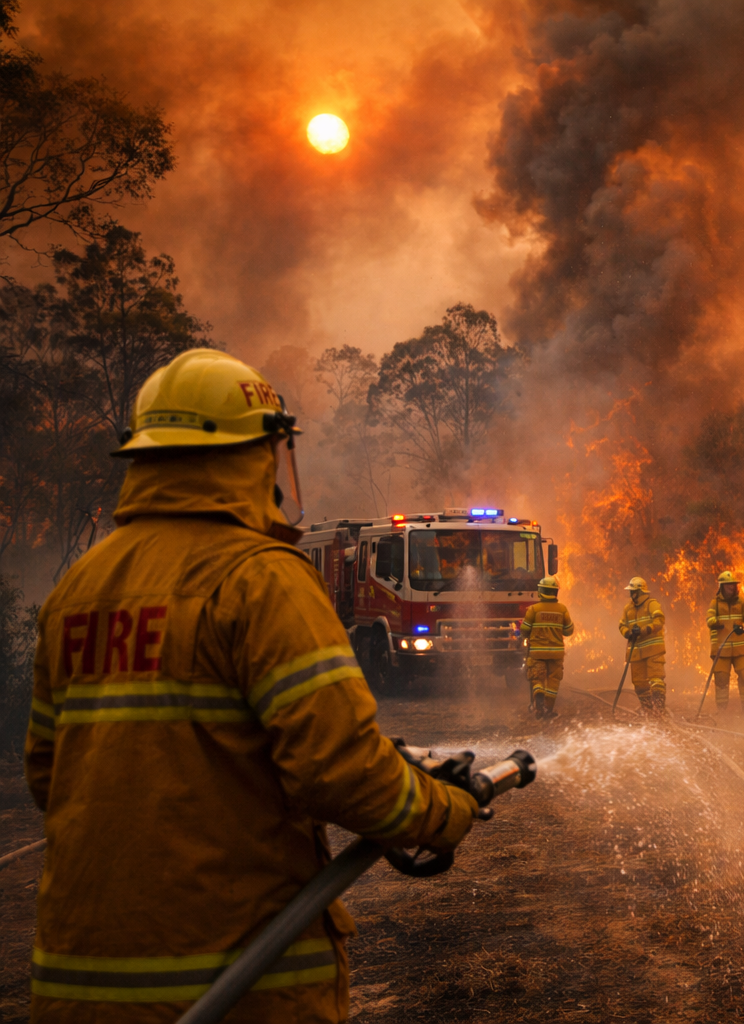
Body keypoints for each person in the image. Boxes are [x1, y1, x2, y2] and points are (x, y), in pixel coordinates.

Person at [25, 349, 481, 1023]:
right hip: (240, 983)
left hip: (77, 985)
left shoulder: (77, 590)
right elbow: (338, 770)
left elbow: (46, 774)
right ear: (254, 456)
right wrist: (442, 813)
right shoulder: (260, 578)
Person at [520, 575, 574, 720]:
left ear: (541, 591)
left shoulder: (533, 609)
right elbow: (569, 631)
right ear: (555, 592)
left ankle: (538, 699)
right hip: (556, 653)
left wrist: (527, 634)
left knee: (537, 677)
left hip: (537, 652)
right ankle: (548, 710)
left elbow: (524, 630)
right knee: (553, 681)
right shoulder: (562, 609)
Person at [705, 571, 744, 714]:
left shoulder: (741, 601)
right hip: (721, 650)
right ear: (722, 587)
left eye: (733, 585)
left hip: (740, 649)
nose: (732, 588)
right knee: (721, 680)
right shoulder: (715, 603)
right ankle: (722, 710)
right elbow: (709, 619)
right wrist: (717, 622)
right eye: (729, 585)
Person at [618, 576, 667, 715]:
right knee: (639, 685)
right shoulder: (628, 609)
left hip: (653, 651)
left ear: (639, 591)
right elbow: (621, 625)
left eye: (633, 591)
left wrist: (643, 630)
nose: (630, 594)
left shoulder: (652, 604)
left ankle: (659, 709)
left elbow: (659, 621)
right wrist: (628, 633)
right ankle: (649, 712)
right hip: (636, 653)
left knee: (656, 681)